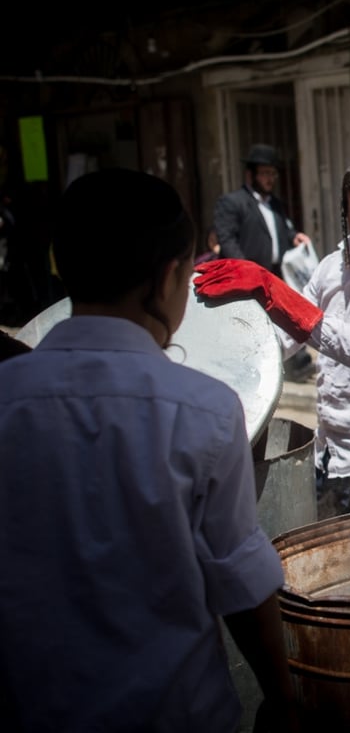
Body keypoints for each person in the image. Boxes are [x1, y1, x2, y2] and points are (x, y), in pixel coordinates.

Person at [0, 169, 297, 731]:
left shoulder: (8, 397)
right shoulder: (203, 409)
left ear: (63, 265)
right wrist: (282, 699)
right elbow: (237, 577)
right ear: (168, 279)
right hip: (173, 711)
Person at [195, 150, 350, 519]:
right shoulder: (332, 266)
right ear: (345, 211)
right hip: (328, 452)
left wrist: (273, 290)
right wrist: (224, 360)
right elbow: (283, 340)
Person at [213, 143, 314, 380]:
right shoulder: (233, 203)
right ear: (251, 174)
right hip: (245, 281)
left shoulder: (275, 205)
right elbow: (227, 241)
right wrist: (247, 271)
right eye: (265, 173)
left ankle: (290, 365)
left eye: (273, 173)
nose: (270, 179)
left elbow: (282, 232)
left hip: (273, 277)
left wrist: (294, 237)